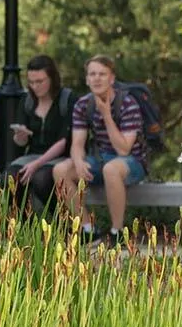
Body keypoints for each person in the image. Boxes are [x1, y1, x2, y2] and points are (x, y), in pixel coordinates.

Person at [62, 53, 153, 241]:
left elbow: (123, 150)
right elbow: (77, 143)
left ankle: (117, 232)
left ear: (112, 78)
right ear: (87, 79)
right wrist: (78, 162)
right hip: (102, 159)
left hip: (132, 162)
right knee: (60, 171)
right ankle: (86, 229)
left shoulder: (128, 103)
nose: (97, 78)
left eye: (102, 74)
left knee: (111, 169)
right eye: (92, 74)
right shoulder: (83, 104)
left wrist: (106, 115)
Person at [3, 55, 74, 208]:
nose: (35, 86)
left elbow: (64, 141)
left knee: (41, 180)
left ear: (52, 78)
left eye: (40, 81)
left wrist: (36, 164)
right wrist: (20, 137)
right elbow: (22, 142)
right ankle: (21, 225)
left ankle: (64, 223)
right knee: (9, 178)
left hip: (60, 158)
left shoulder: (67, 99)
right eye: (31, 82)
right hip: (33, 155)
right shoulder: (27, 101)